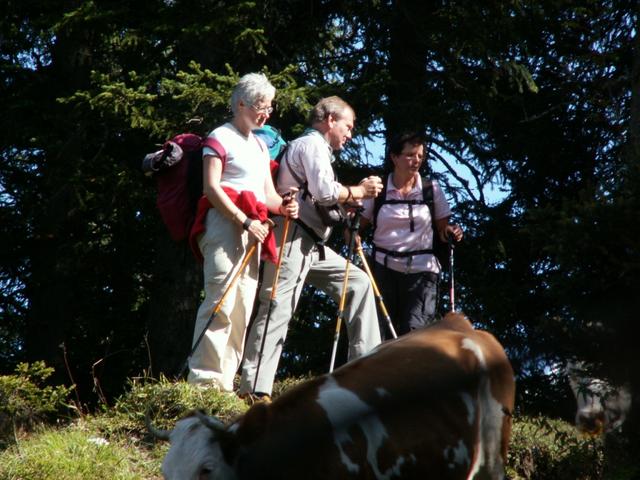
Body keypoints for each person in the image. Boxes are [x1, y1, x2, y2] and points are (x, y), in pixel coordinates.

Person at [239, 96, 384, 401]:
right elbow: (323, 191)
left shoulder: (320, 151)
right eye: (348, 125)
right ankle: (254, 388)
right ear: (330, 119)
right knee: (277, 304)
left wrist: (348, 203)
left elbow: (322, 198)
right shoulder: (311, 145)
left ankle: (366, 374)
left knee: (357, 283)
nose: (350, 133)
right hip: (291, 236)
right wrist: (359, 190)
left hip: (311, 244)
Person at [187, 73, 298, 391]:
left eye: (269, 106)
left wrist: (285, 206)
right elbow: (211, 188)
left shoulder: (261, 146)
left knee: (242, 308)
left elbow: (268, 196)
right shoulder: (219, 136)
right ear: (241, 104)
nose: (267, 113)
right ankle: (203, 382)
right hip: (225, 225)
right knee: (221, 299)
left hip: (252, 232)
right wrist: (243, 220)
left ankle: (223, 384)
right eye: (262, 106)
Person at [359, 131, 463, 339]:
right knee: (381, 332)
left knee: (415, 332)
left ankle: (411, 372)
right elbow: (356, 228)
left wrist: (451, 232)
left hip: (422, 270)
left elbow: (442, 230)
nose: (416, 161)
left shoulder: (430, 189)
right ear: (394, 157)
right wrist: (356, 246)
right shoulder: (378, 189)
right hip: (382, 269)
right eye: (410, 155)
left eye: (420, 156)